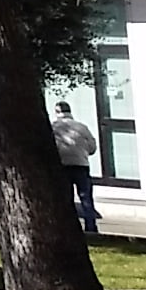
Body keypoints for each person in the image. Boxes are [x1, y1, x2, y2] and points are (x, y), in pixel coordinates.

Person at [53, 100, 103, 236]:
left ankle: (68, 227)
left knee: (65, 199)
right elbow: (92, 147)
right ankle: (91, 227)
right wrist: (82, 152)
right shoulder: (81, 127)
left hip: (63, 166)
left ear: (57, 112)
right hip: (81, 165)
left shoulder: (53, 127)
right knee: (86, 198)